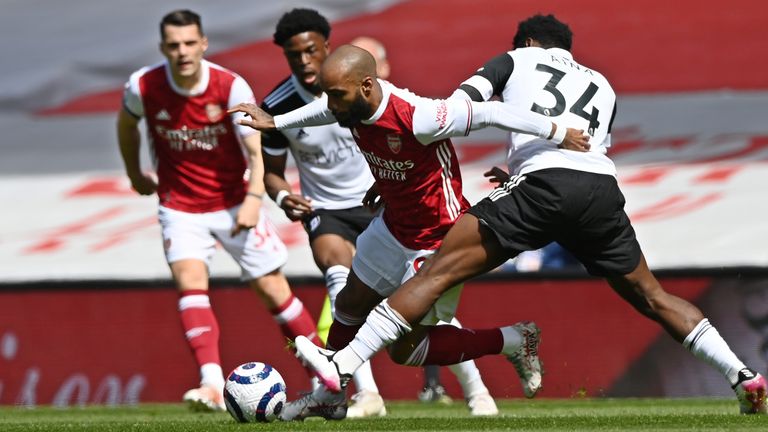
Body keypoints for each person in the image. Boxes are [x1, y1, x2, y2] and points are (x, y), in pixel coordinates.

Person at [287, 15, 768, 415]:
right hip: (598, 191)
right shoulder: (602, 85)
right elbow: (587, 153)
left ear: (530, 43)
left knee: (435, 271)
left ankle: (342, 366)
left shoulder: (517, 57)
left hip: (540, 186)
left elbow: (467, 104)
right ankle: (741, 375)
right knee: (652, 295)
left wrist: (434, 125)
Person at [229, 44, 590, 420]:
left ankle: (514, 340)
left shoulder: (420, 116)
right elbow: (324, 108)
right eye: (330, 95)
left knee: (404, 351)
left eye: (338, 95)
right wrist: (275, 122)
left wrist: (558, 131)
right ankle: (328, 397)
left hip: (440, 240)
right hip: (393, 226)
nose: (332, 105)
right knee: (349, 304)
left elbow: (492, 111)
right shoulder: (347, 104)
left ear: (367, 86)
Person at [116, 9, 321, 412]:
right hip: (181, 206)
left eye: (190, 43)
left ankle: (324, 376)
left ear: (203, 44)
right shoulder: (144, 86)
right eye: (174, 45)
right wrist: (134, 174)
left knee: (273, 291)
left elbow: (255, 149)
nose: (183, 52)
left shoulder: (228, 85)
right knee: (190, 280)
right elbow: (126, 125)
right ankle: (210, 383)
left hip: (233, 202)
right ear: (163, 49)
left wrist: (252, 199)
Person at [259, 8, 385, 419]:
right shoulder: (276, 107)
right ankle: (367, 394)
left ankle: (477, 394)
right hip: (325, 211)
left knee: (420, 299)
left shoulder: (362, 90)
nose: (305, 62)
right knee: (339, 278)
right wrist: (283, 199)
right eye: (295, 55)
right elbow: (273, 176)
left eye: (312, 51)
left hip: (377, 202)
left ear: (327, 47)